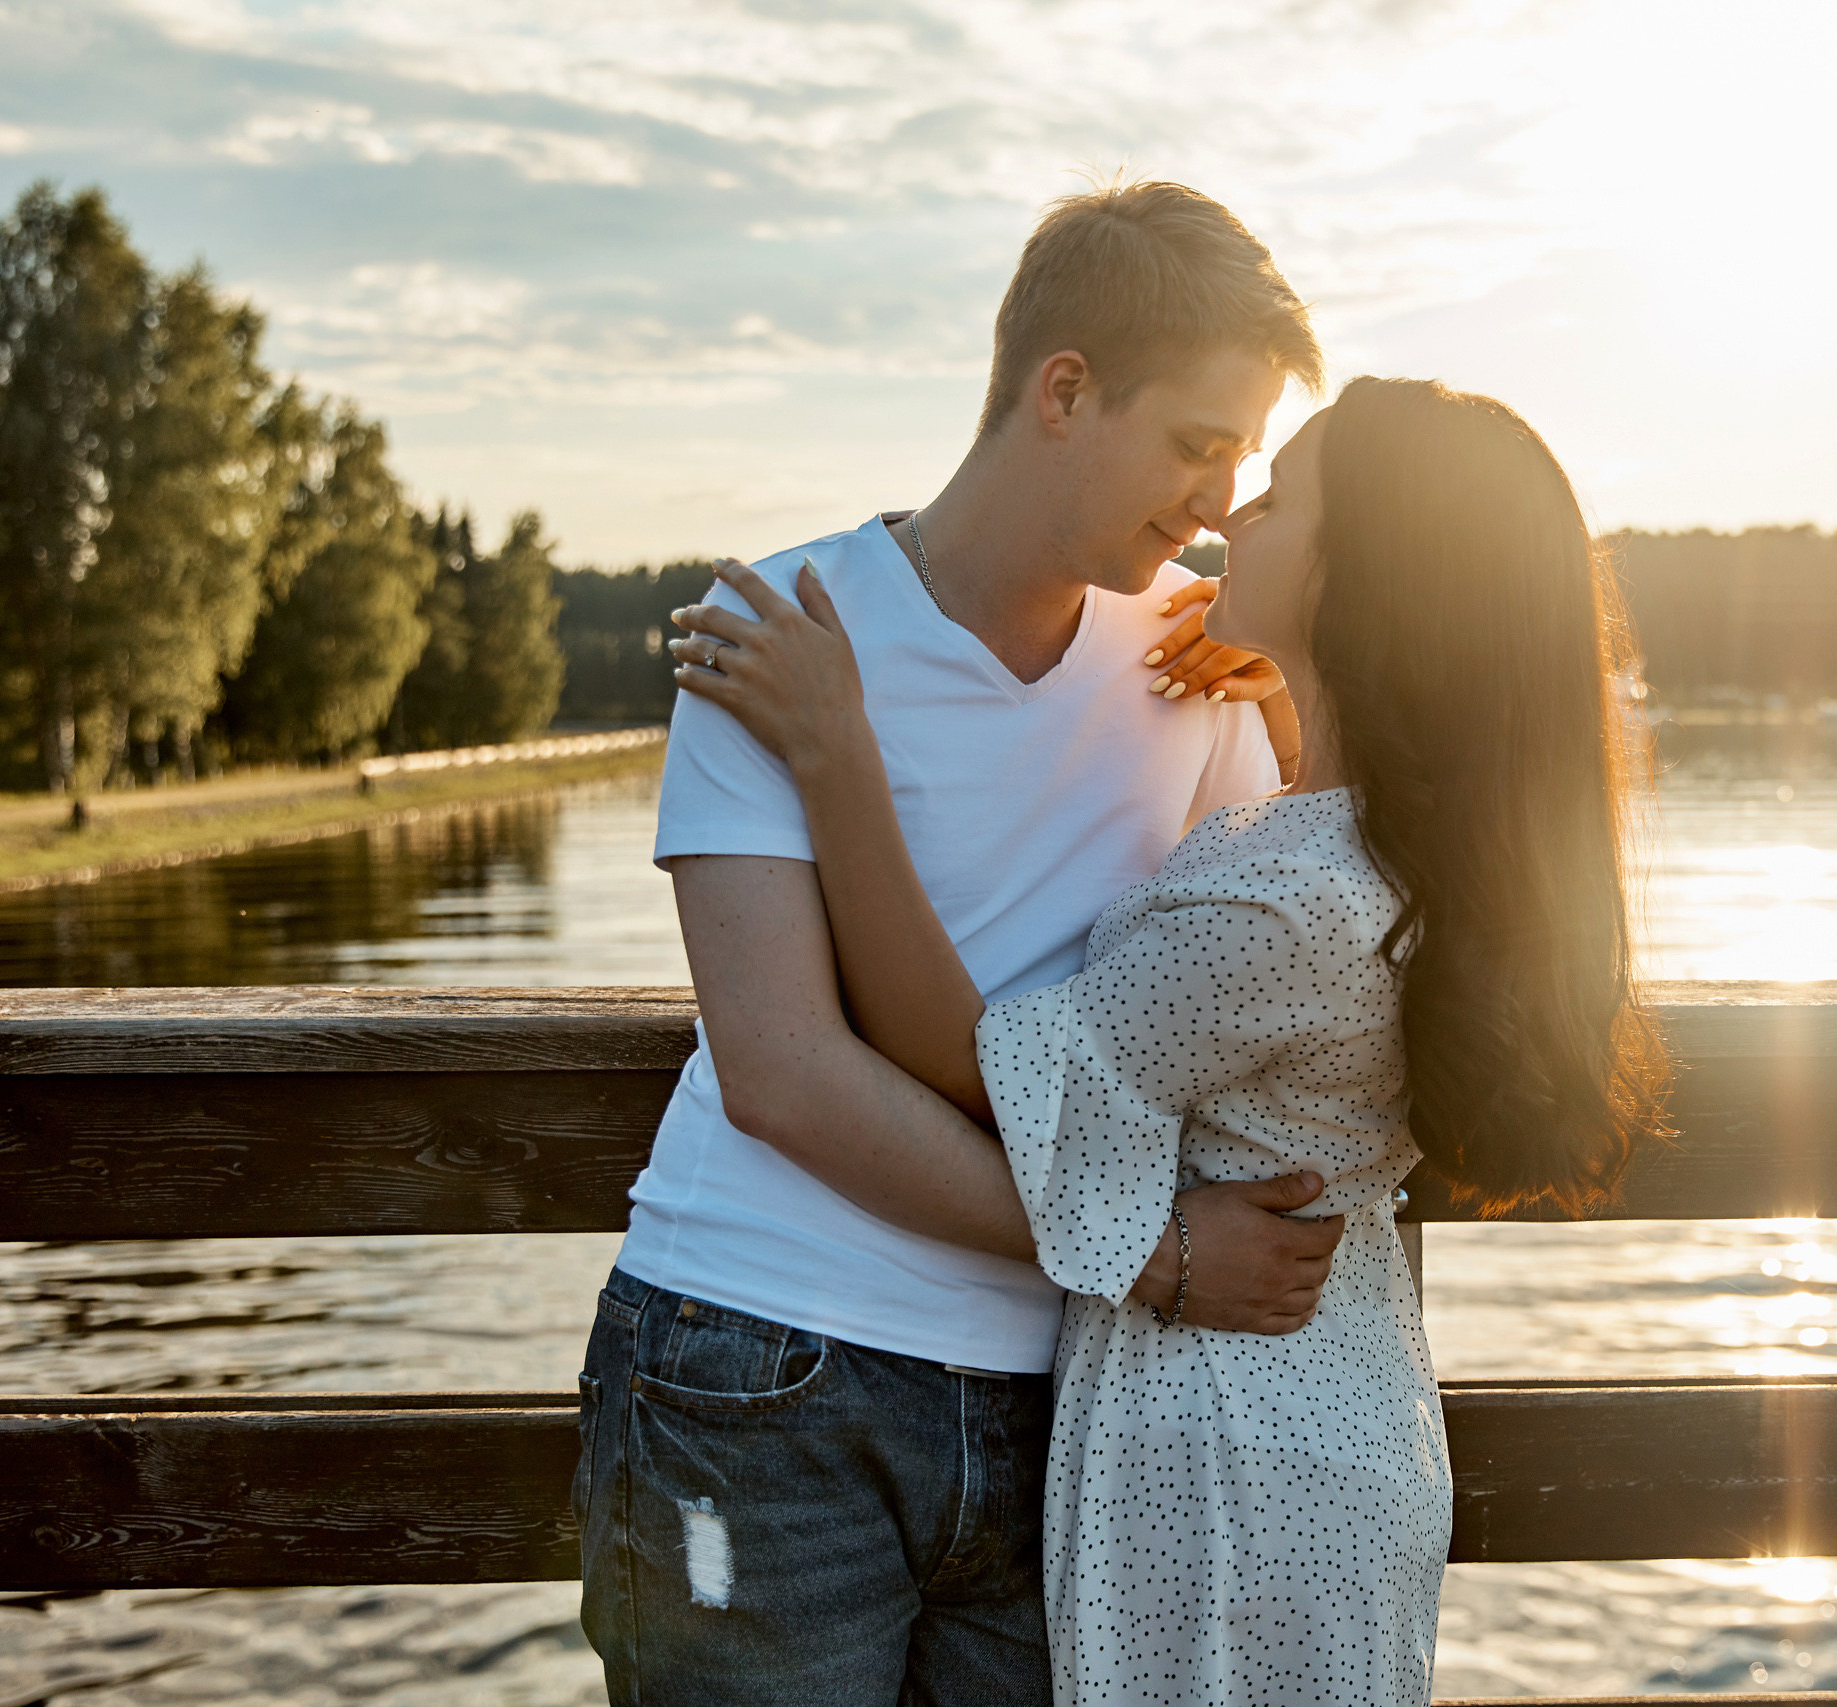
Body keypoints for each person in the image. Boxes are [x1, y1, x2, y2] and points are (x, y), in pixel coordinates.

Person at [668, 375, 1673, 1705]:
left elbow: (974, 1061)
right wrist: (1277, 682)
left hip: (1229, 1462)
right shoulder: (1424, 864)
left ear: (1358, 575)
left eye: (1283, 496)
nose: (1230, 517)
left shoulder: (1278, 902)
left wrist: (836, 752)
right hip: (1351, 1420)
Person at [573, 181, 1346, 1706]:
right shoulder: (785, 634)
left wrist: (1295, 691)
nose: (1216, 498)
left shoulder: (1198, 666)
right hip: (758, 1367)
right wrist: (1148, 1250)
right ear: (1064, 390)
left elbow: (1268, 989)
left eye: (1246, 462)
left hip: (1064, 1409)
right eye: (1198, 444)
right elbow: (784, 1073)